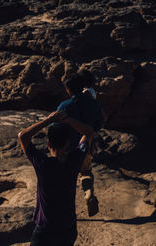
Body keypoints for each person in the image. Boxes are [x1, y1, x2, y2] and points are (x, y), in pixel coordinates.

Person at [17, 108, 96, 246]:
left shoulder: (43, 164)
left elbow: (22, 136)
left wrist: (48, 120)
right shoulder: (75, 159)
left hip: (46, 229)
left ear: (48, 144)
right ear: (67, 143)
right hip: (68, 226)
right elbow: (89, 132)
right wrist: (67, 119)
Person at [57, 74, 105, 217]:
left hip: (68, 148)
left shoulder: (64, 106)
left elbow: (56, 126)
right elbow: (100, 123)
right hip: (87, 145)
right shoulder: (94, 104)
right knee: (86, 172)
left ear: (68, 90)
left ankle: (66, 210)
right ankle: (89, 194)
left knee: (66, 178)